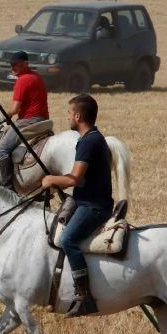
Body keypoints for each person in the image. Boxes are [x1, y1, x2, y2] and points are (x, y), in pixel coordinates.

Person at [41, 94, 113, 318]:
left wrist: (52, 180)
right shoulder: (89, 138)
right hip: (85, 200)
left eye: (70, 113)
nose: (68, 117)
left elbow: (74, 179)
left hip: (94, 206)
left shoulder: (89, 141)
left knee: (67, 240)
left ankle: (84, 296)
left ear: (78, 116)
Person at [0, 50, 49, 189]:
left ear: (25, 63)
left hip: (28, 120)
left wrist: (5, 115)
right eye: (11, 65)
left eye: (15, 65)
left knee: (1, 151)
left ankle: (8, 189)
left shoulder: (22, 80)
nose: (12, 68)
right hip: (43, 120)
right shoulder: (36, 76)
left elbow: (15, 109)